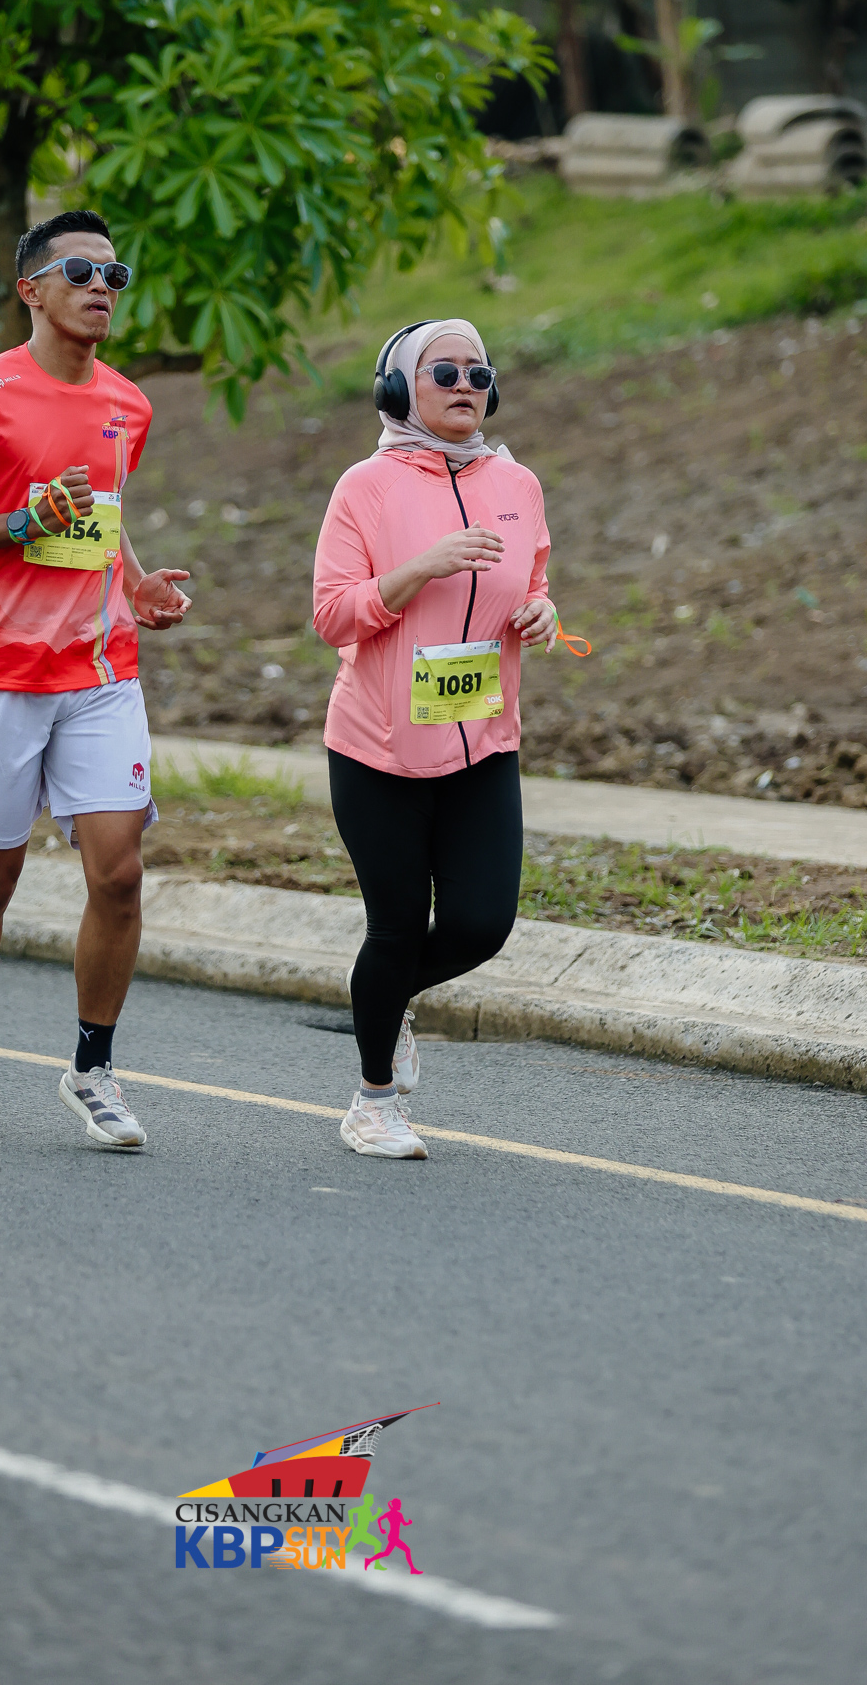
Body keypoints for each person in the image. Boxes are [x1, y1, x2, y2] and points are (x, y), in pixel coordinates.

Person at [0, 209, 191, 1148]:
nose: (102, 287)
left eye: (115, 275)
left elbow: (101, 511)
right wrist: (22, 525)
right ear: (30, 289)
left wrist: (134, 583)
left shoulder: (128, 404)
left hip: (100, 672)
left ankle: (93, 1070)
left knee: (120, 874)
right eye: (80, 272)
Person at [313, 317, 561, 1159]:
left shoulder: (518, 482)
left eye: (478, 373)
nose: (465, 386)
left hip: (482, 741)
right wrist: (421, 567)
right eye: (444, 371)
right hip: (377, 749)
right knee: (394, 928)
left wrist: (541, 611)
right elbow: (331, 615)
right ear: (398, 390)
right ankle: (373, 1102)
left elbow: (533, 577)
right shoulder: (365, 487)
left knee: (481, 924)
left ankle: (384, 1000)